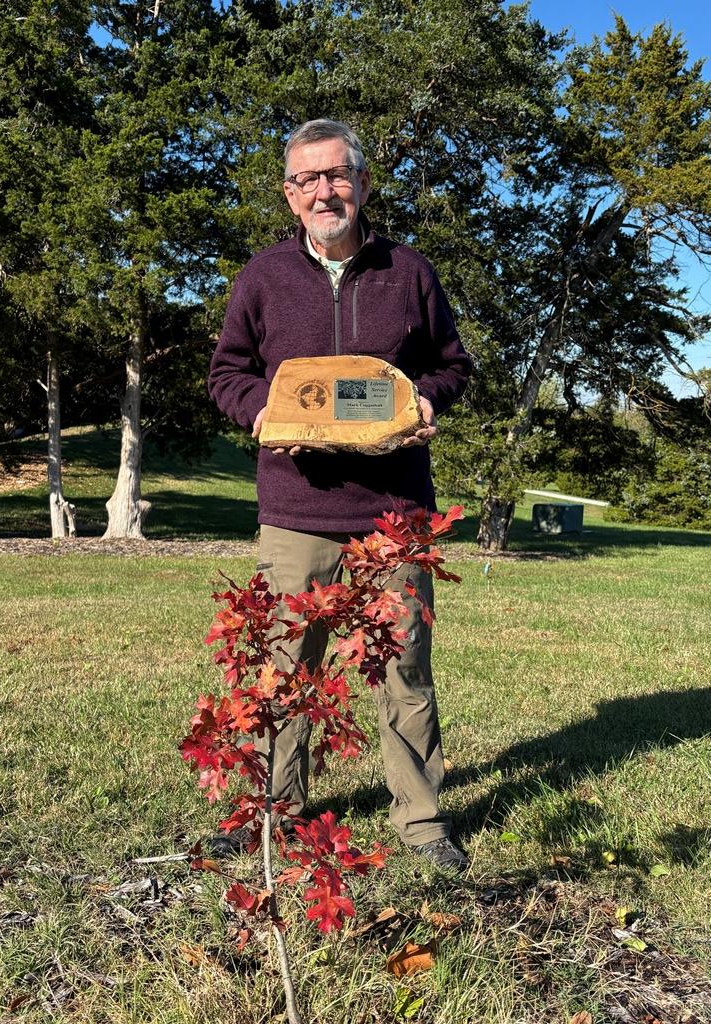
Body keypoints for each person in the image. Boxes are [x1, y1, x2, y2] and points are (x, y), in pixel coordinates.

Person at [207, 119, 473, 869]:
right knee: (285, 668)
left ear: (362, 181)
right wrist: (262, 412)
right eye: (308, 180)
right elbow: (227, 372)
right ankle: (272, 810)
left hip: (394, 519)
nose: (325, 191)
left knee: (405, 669)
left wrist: (425, 401)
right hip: (295, 513)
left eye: (337, 175)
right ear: (289, 196)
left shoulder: (410, 272)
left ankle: (422, 822)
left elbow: (453, 366)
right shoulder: (262, 277)